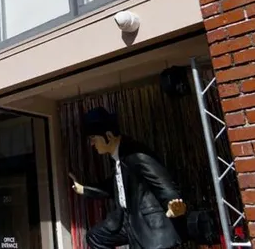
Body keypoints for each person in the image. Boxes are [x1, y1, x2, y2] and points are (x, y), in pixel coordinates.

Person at [69, 107, 186, 249]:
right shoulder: (118, 157)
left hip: (148, 222)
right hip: (128, 219)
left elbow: (162, 182)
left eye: (93, 138)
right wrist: (84, 189)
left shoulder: (136, 154)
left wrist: (173, 203)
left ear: (109, 136)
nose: (92, 144)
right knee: (95, 236)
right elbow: (113, 186)